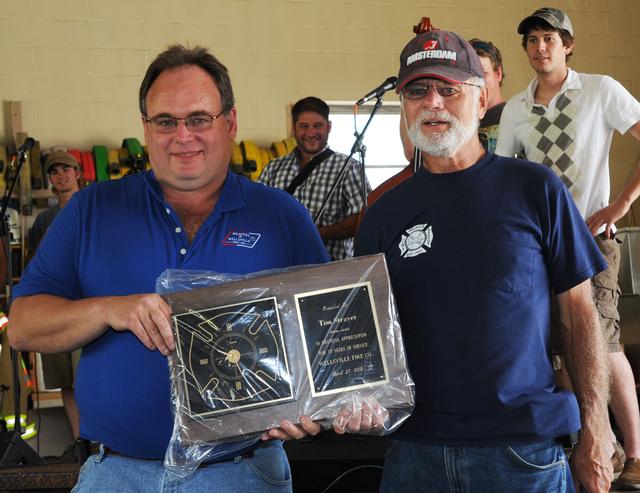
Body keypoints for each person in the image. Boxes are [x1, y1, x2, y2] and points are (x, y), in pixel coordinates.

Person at [8, 44, 331, 492]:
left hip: (243, 473)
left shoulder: (282, 217)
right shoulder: (92, 209)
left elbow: (328, 342)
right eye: (165, 121)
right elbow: (22, 327)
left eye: (199, 118)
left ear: (230, 123)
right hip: (117, 475)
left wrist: (315, 410)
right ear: (145, 127)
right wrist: (107, 310)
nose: (183, 136)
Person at [355, 28, 614, 492]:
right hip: (414, 452)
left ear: (480, 101)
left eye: (448, 89)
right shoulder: (383, 213)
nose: (432, 102)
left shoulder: (536, 189)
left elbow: (580, 315)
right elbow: (364, 334)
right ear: (404, 105)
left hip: (522, 452)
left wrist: (597, 432)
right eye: (417, 91)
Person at [496, 8, 640, 489]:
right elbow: (504, 177)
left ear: (569, 45)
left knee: (605, 342)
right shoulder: (516, 107)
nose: (541, 47)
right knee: (562, 348)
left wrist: (620, 204)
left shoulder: (600, 89)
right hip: (541, 246)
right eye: (533, 40)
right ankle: (599, 446)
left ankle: (637, 453)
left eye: (550, 39)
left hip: (592, 238)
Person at [257, 97, 370, 261]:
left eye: (318, 126)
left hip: (331, 273)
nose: (311, 133)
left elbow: (364, 217)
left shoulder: (348, 167)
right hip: (280, 270)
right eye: (304, 126)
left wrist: (320, 233)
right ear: (293, 128)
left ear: (329, 127)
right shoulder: (273, 168)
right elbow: (257, 212)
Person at [27, 150, 82, 441]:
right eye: (55, 171)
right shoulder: (43, 220)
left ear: (78, 173)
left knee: (89, 375)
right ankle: (80, 443)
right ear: (50, 179)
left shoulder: (93, 210)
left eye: (66, 169)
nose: (61, 175)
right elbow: (34, 264)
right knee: (64, 379)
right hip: (55, 306)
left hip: (88, 307)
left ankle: (101, 442)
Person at [469, 38, 506, 153]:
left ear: (498, 74)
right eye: (470, 74)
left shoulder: (514, 115)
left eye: (482, 73)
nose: (477, 81)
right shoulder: (462, 119)